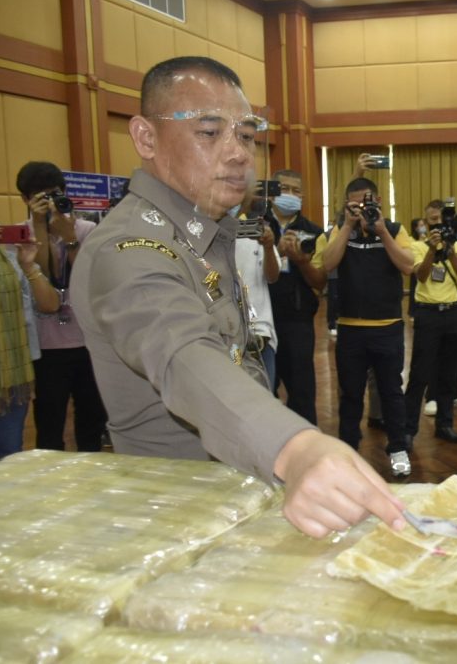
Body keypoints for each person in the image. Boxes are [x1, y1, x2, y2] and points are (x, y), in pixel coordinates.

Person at [70, 56, 405, 538]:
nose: (238, 154)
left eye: (246, 136)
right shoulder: (130, 249)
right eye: (209, 132)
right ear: (146, 138)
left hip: (237, 499)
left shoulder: (207, 234)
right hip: (179, 519)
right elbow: (183, 355)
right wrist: (296, 448)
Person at [319, 177, 415, 477]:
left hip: (388, 326)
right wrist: (348, 226)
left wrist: (382, 231)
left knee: (391, 393)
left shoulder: (395, 229)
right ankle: (349, 450)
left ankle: (398, 448)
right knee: (350, 394)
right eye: (356, 204)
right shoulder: (339, 229)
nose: (363, 208)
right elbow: (327, 264)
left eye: (368, 202)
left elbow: (408, 265)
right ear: (347, 205)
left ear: (379, 202)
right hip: (350, 327)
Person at [17, 161, 108, 452]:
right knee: (49, 425)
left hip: (87, 340)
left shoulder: (86, 229)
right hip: (46, 345)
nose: (51, 203)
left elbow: (87, 280)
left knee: (92, 421)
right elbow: (41, 277)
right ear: (26, 200)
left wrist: (69, 238)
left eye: (55, 194)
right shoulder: (21, 236)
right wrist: (40, 230)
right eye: (41, 197)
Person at [404, 202, 457, 446]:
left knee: (449, 374)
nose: (438, 224)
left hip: (455, 313)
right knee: (419, 374)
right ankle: (408, 430)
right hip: (428, 314)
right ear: (425, 223)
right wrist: (433, 250)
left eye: (441, 220)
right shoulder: (417, 246)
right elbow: (421, 276)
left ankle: (445, 425)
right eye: (432, 220)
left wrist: (450, 251)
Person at [266, 169, 325, 425]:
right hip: (261, 319)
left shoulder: (314, 232)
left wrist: (302, 262)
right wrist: (274, 250)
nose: (290, 195)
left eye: (296, 190)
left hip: (297, 320)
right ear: (271, 194)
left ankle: (306, 442)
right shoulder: (255, 226)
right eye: (284, 189)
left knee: (302, 390)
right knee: (262, 387)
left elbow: (320, 282)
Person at [0, 231, 59, 458]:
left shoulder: (11, 260)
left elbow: (50, 306)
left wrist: (29, 266)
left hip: (11, 379)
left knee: (9, 456)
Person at [232, 195, 280, 388]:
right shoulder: (202, 234)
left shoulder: (255, 232)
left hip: (258, 335)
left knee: (264, 398)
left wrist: (268, 247)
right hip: (222, 335)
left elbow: (272, 276)